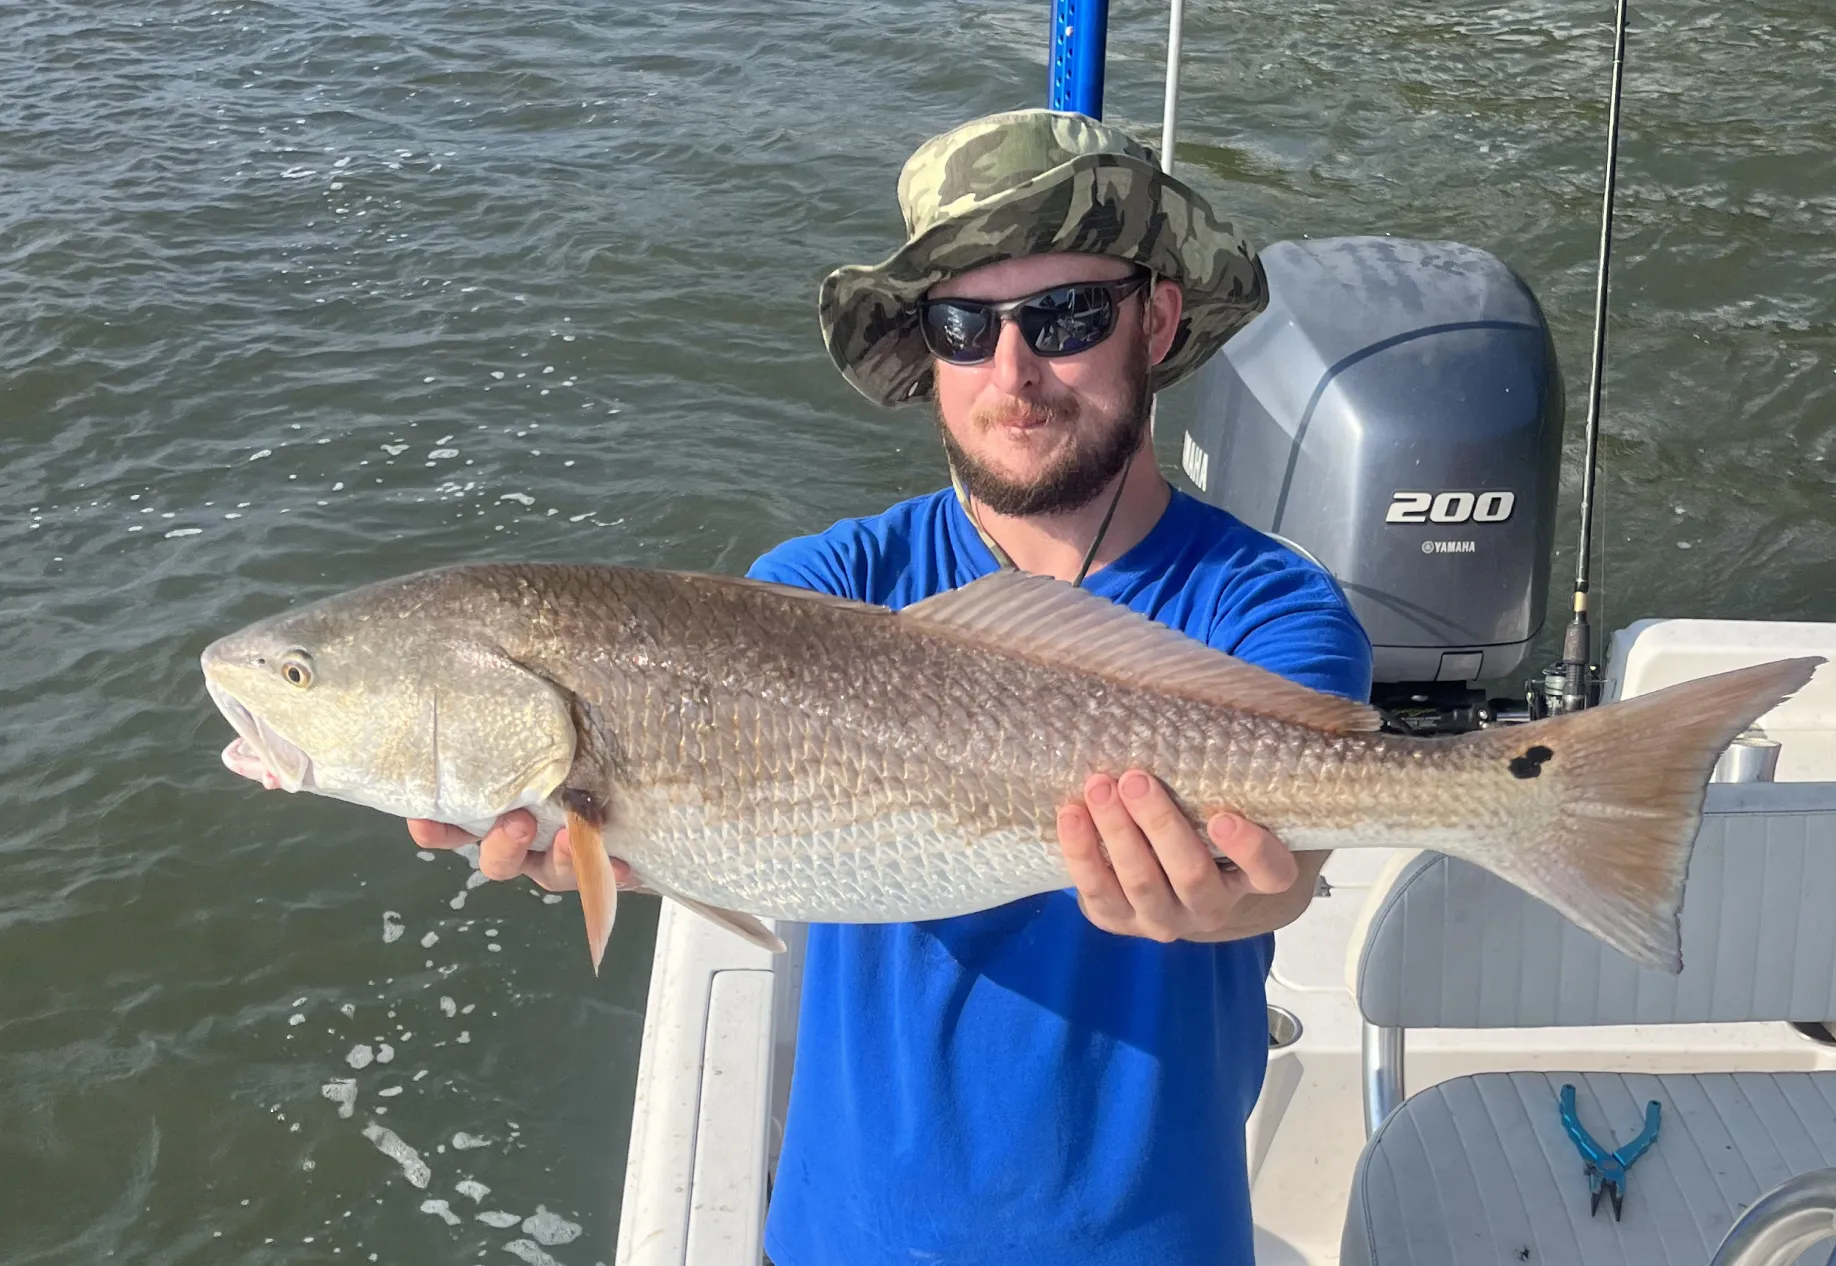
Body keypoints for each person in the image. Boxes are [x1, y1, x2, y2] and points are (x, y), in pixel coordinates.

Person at [408, 109, 1373, 1265]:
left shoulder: (1267, 605)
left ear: (1154, 319)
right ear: (926, 351)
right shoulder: (824, 588)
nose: (1011, 373)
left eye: (1063, 318)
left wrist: (1249, 896)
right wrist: (595, 847)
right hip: (841, 1236)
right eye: (963, 325)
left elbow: (1292, 849)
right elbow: (722, 819)